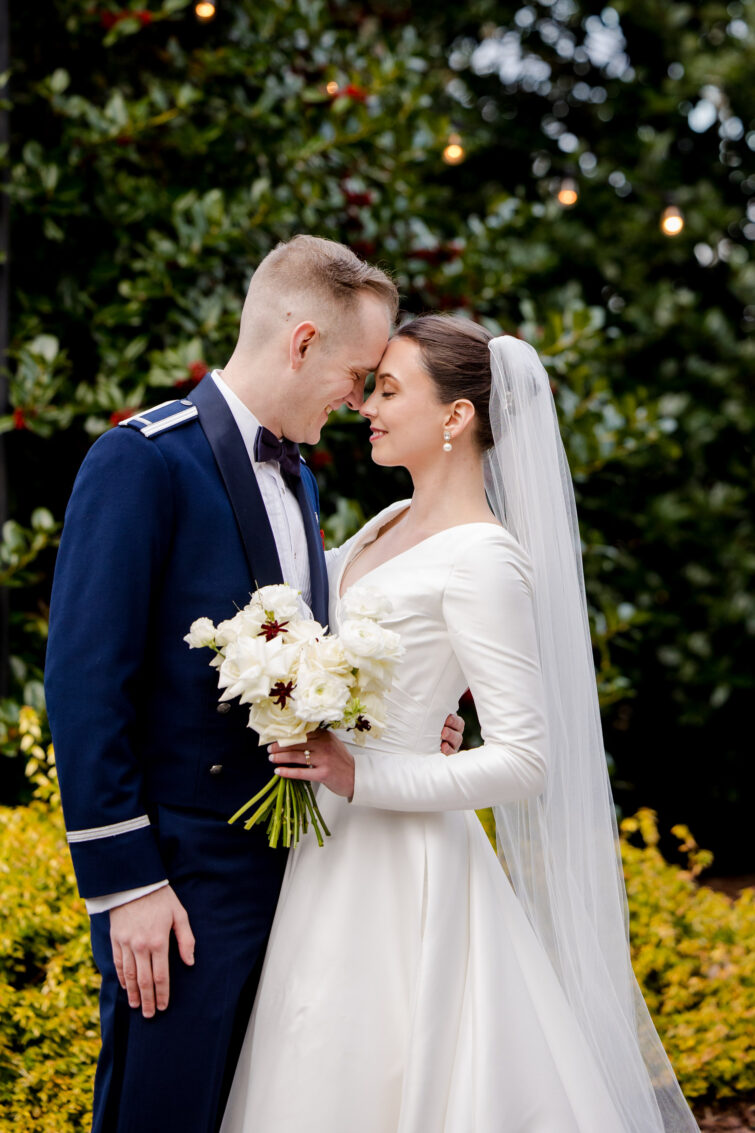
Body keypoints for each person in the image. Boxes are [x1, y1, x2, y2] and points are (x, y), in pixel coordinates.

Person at [220, 315, 700, 1133]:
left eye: (389, 390)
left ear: (455, 417)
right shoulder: (382, 525)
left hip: (403, 866)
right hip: (325, 850)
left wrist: (366, 770)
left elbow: (523, 759)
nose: (366, 404)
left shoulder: (483, 558)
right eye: (371, 388)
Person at [44, 236, 465, 1133]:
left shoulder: (299, 481)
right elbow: (84, 688)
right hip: (182, 891)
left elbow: (303, 670)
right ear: (302, 341)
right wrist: (127, 885)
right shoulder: (143, 461)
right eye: (357, 375)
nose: (358, 402)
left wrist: (394, 726)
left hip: (299, 879)